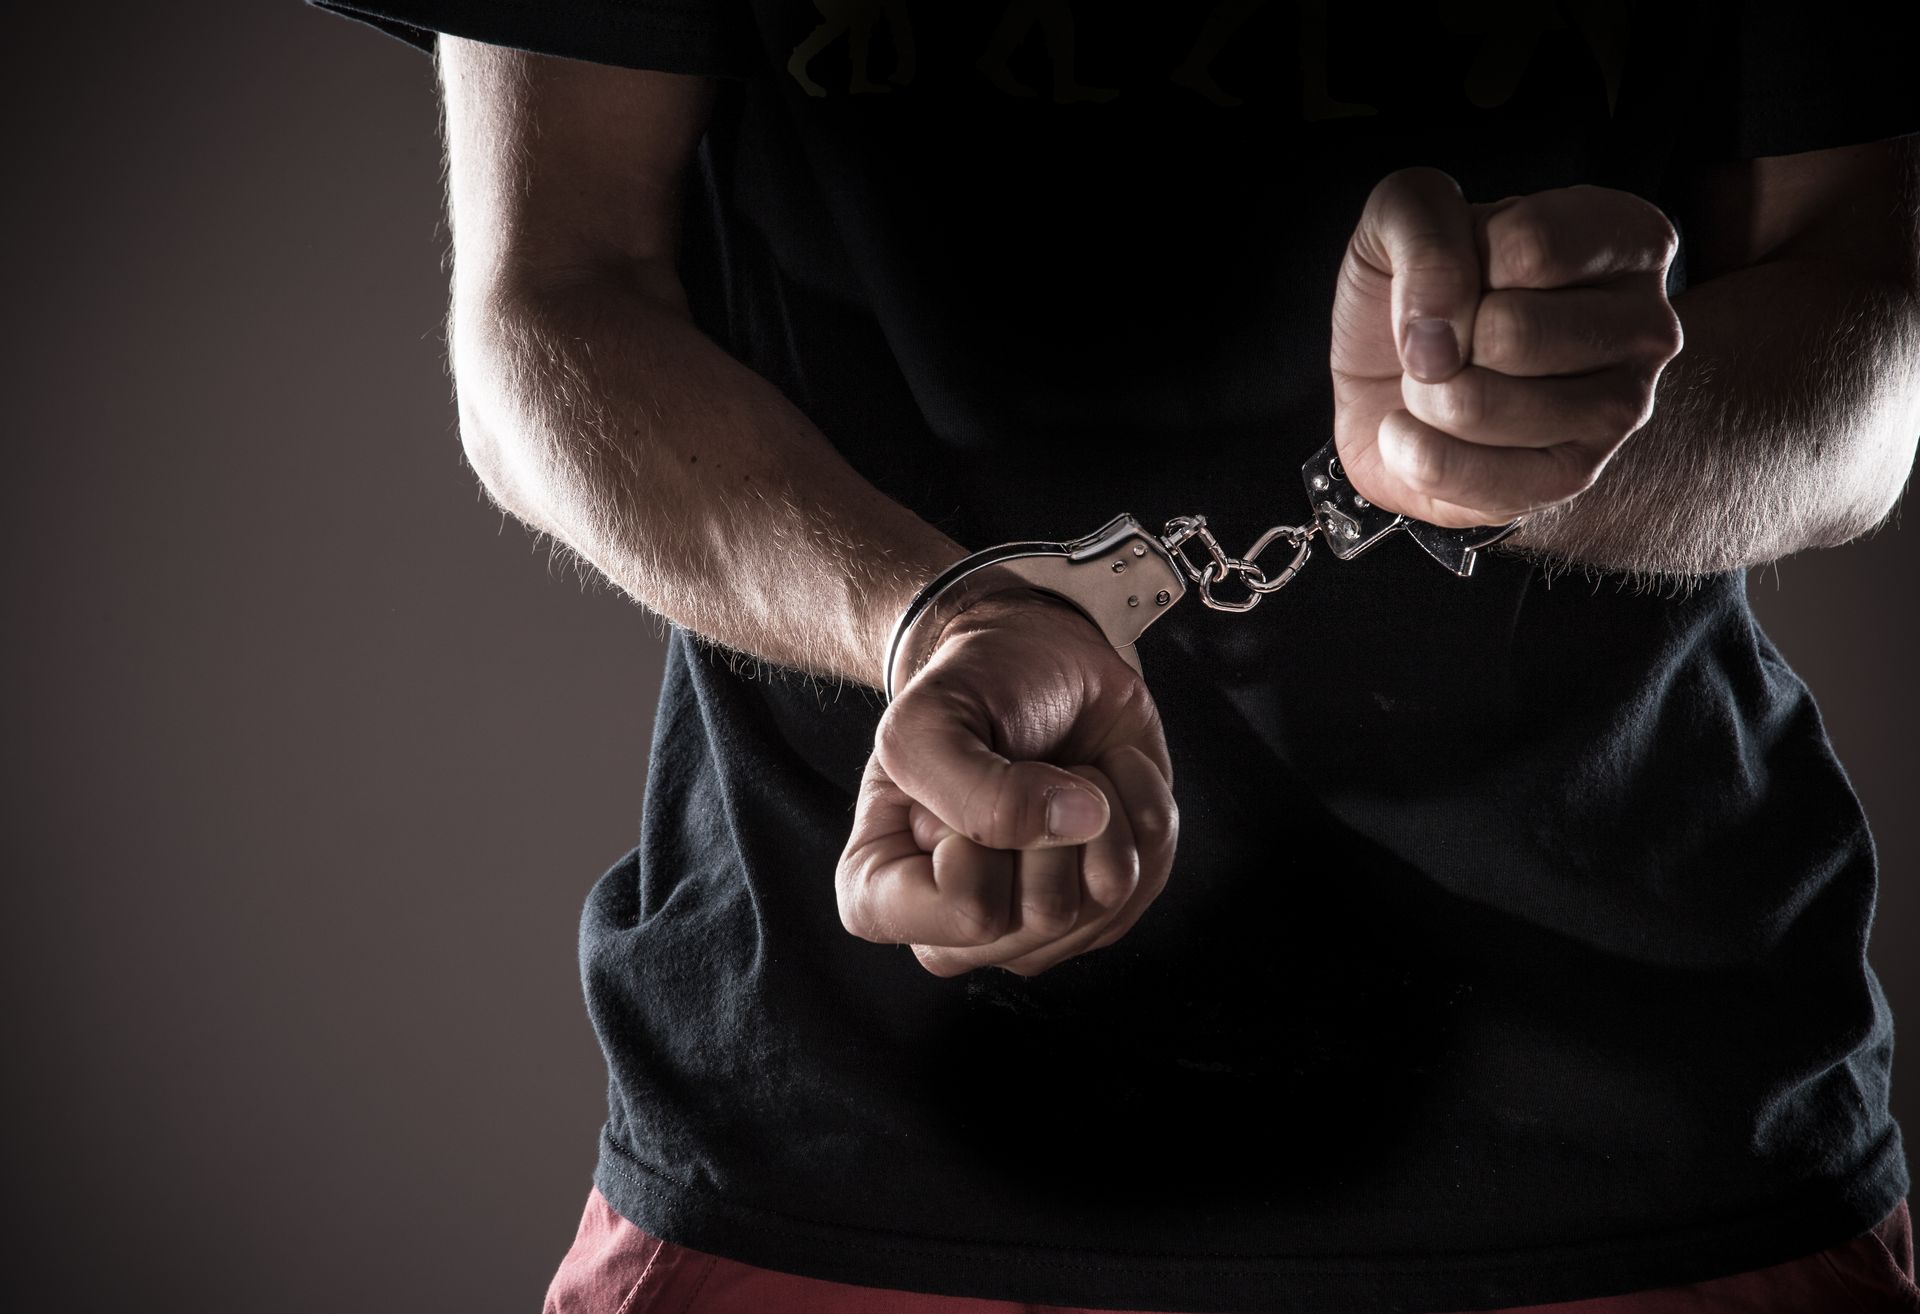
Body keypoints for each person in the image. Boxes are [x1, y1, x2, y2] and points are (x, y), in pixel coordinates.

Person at [309, 1, 1920, 1310]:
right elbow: (558, 301)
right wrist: (928, 616)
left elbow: (1867, 334)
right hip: (834, 1129)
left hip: (1641, 1126)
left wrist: (1547, 444)